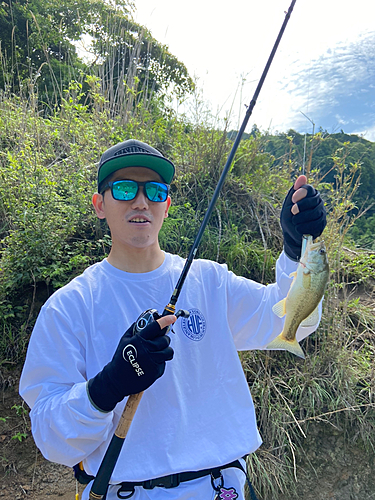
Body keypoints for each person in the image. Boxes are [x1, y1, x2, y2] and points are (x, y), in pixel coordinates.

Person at [19, 139, 327, 500]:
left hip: (223, 489)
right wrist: (105, 388)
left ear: (166, 203)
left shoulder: (211, 281)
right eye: (123, 188)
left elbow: (290, 321)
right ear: (99, 205)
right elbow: (51, 437)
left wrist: (296, 250)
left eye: (155, 190)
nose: (140, 200)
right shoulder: (68, 306)